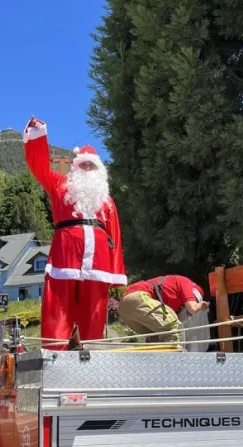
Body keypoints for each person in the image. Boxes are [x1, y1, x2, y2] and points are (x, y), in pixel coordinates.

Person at [23, 116, 126, 348]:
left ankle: (91, 356)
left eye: (91, 165)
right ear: (76, 167)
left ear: (99, 170)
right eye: (83, 164)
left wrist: (116, 273)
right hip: (65, 259)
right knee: (57, 309)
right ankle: (53, 353)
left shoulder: (106, 201)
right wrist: (38, 136)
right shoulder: (60, 186)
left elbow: (115, 238)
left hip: (98, 265)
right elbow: (38, 165)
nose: (87, 168)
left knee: (95, 313)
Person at [118, 275, 210, 344]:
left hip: (124, 308)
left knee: (156, 337)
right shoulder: (186, 283)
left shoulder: (172, 296)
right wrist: (202, 305)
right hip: (138, 297)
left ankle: (154, 365)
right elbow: (192, 308)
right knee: (174, 328)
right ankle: (174, 365)